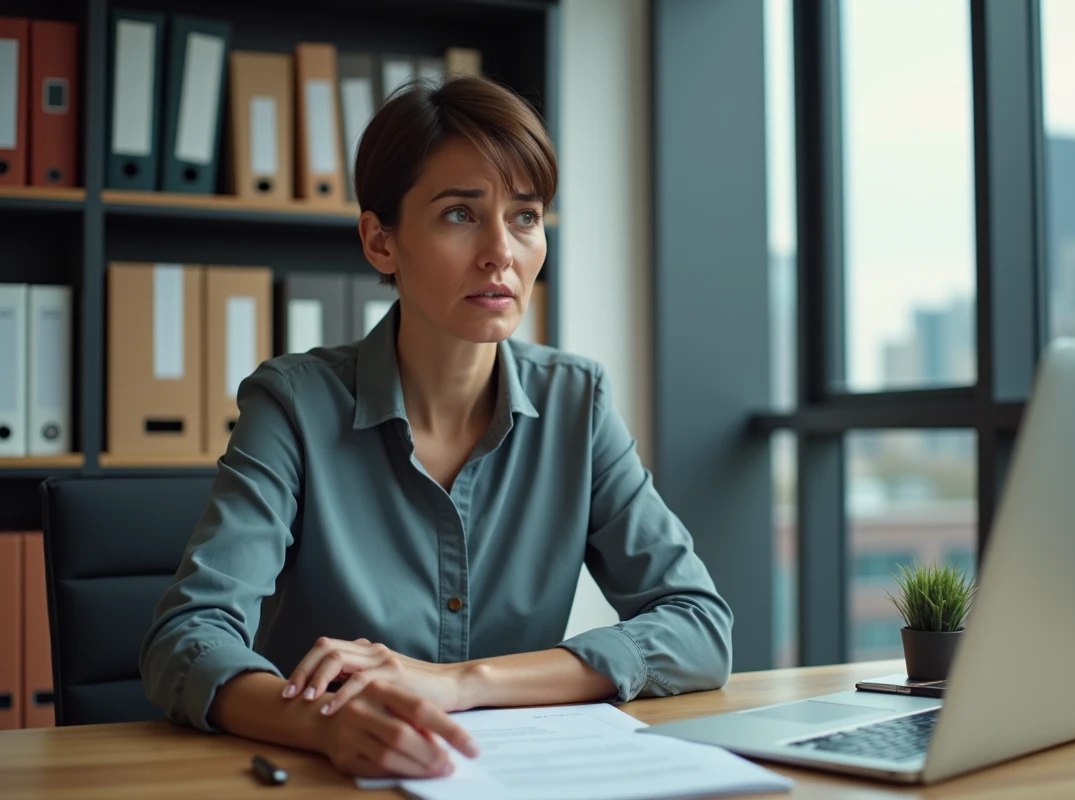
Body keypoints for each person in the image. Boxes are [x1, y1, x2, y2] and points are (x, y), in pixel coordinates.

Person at [140, 75, 733, 780]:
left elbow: (698, 626)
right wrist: (327, 723)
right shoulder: (294, 405)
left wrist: (462, 682)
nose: (500, 252)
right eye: (460, 214)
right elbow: (185, 639)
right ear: (380, 241)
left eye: (524, 216)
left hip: (510, 778)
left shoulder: (578, 403)